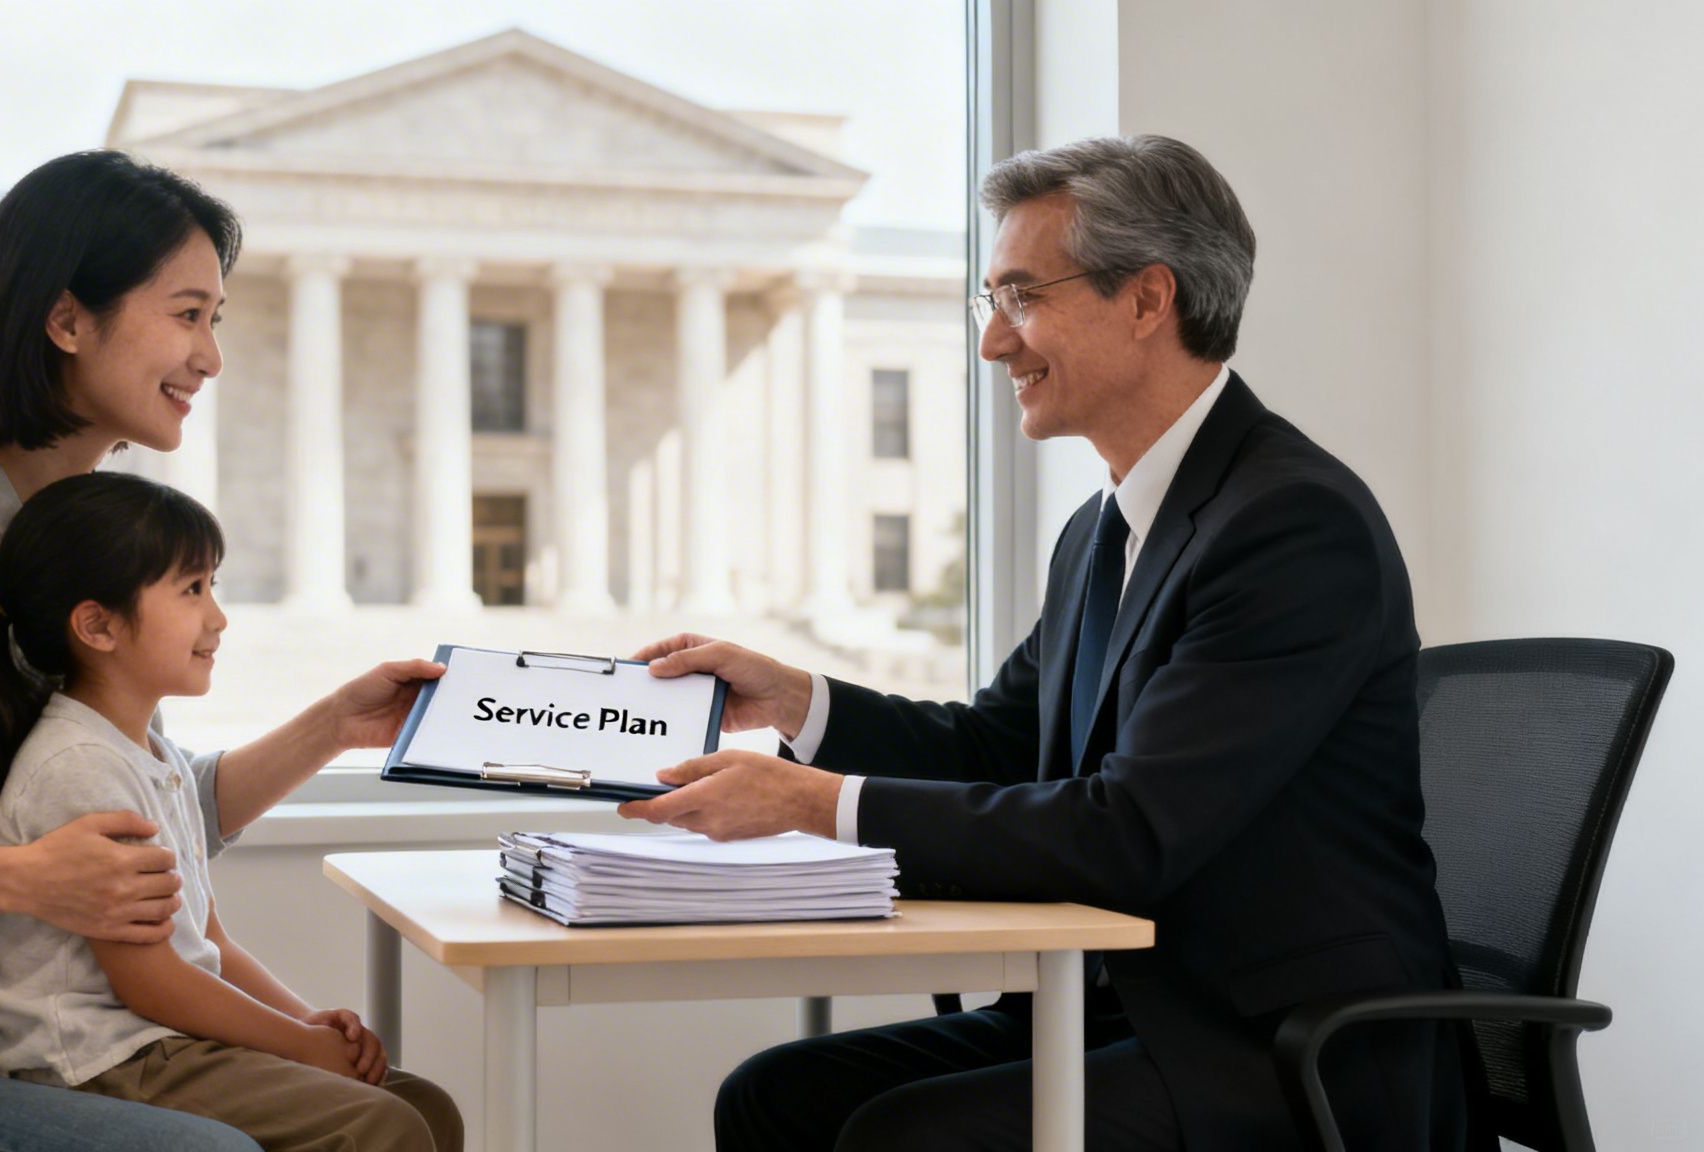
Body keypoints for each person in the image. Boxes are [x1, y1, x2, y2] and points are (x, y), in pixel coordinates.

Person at [619, 135, 1466, 1151]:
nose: (991, 344)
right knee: (772, 1099)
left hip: (1273, 1046)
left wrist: (818, 805)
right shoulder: (1102, 532)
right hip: (1122, 1009)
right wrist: (797, 702)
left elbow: (1128, 833)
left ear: (1148, 300)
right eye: (989, 303)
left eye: (1021, 298)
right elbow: (1000, 749)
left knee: (900, 1138)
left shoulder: (1289, 526)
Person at [0, 150, 446, 1152]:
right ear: (67, 321)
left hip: (15, 1029)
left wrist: (334, 726)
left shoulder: (79, 538)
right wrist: (30, 879)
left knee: (412, 1107)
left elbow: (132, 819)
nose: (211, 357)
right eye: (187, 314)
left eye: (216, 321)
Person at [0, 471, 459, 1152]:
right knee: (378, 1124)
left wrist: (311, 1025)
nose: (218, 617)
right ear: (98, 625)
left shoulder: (154, 754)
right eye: (191, 590)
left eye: (213, 586)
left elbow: (208, 940)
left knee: (424, 1105)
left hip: (161, 1042)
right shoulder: (80, 766)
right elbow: (151, 982)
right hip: (104, 1062)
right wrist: (297, 1045)